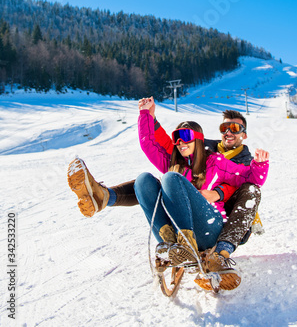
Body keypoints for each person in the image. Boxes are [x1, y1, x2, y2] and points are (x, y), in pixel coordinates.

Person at [67, 97, 269, 291]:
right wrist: (147, 116)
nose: (181, 142)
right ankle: (167, 240)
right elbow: (152, 144)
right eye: (177, 138)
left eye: (234, 128)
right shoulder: (181, 159)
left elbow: (248, 180)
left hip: (213, 224)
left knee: (171, 178)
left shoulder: (217, 161)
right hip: (184, 220)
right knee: (145, 180)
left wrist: (253, 169)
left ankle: (202, 247)